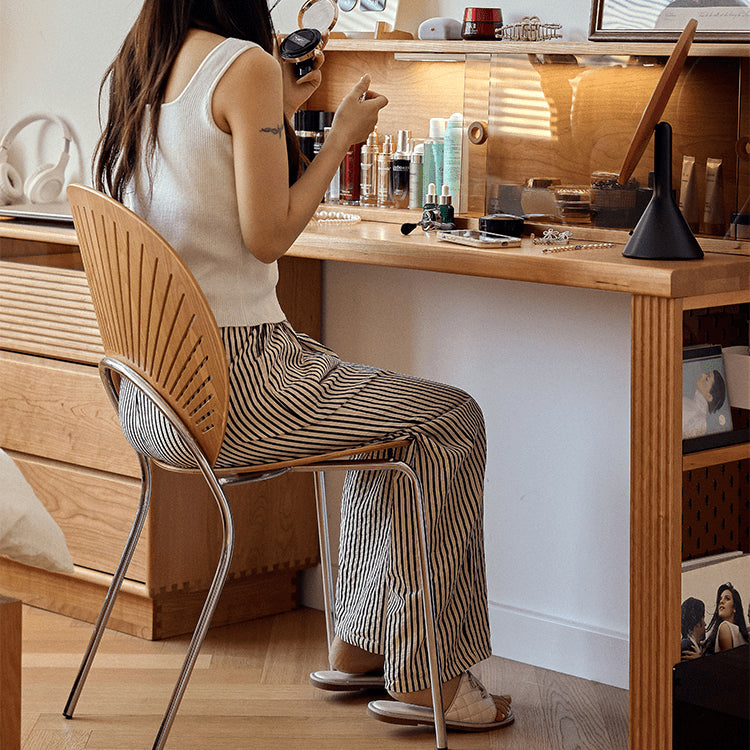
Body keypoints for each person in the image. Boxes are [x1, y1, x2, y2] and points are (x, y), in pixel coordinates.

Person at [93, 0, 513, 733]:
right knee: (450, 419)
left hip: (155, 396)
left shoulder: (142, 65)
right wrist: (338, 138)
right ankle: (432, 682)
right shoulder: (244, 63)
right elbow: (268, 236)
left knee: (384, 415)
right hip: (239, 387)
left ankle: (359, 646)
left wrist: (280, 109)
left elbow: (207, 174)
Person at [703, 583, 749, 653]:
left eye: (727, 598)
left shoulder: (725, 626)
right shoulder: (743, 636)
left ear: (734, 608)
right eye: (720, 599)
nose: (721, 601)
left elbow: (726, 662)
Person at [682, 369, 727, 439]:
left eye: (707, 378)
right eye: (706, 374)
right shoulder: (691, 404)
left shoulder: (699, 422)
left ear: (709, 396)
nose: (703, 374)